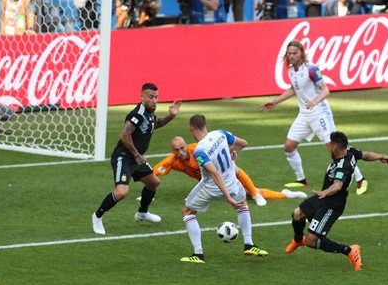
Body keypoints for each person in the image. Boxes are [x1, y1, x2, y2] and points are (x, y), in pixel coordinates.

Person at [260, 40, 368, 195]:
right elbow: (293, 89)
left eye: (294, 53)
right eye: (289, 53)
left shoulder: (311, 69)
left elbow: (325, 90)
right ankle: (301, 180)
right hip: (304, 114)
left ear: (301, 53)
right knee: (289, 147)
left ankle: (360, 179)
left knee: (335, 149)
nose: (291, 56)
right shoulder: (291, 70)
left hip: (320, 114)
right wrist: (275, 102)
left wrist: (314, 102)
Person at [284, 131, 388, 271]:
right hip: (322, 198)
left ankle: (350, 250)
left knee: (312, 241)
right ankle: (298, 240)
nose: (327, 145)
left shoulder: (342, 166)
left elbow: (337, 186)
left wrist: (324, 192)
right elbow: (365, 155)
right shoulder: (349, 151)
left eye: (329, 143)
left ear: (335, 147)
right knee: (297, 214)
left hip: (332, 204)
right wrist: (382, 156)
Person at [91, 83, 182, 235]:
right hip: (124, 157)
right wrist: (137, 155)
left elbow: (155, 124)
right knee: (121, 192)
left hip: (136, 158)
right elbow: (124, 135)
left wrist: (171, 116)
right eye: (150, 97)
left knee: (153, 183)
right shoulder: (137, 114)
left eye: (156, 97)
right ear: (142, 97)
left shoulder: (150, 112)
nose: (154, 100)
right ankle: (97, 216)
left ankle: (142, 213)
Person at [179, 114, 269, 264]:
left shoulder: (199, 151)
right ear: (205, 125)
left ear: (191, 129)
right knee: (243, 206)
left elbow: (214, 173)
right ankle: (249, 244)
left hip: (211, 188)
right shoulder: (220, 133)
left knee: (188, 212)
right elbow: (244, 143)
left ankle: (198, 254)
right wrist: (230, 151)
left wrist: (227, 198)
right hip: (233, 184)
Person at [154, 136, 308, 206]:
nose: (180, 151)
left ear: (186, 145)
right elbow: (155, 171)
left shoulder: (197, 150)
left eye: (182, 148)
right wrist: (149, 189)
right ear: (172, 151)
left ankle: (271, 194)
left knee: (242, 180)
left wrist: (230, 153)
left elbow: (217, 152)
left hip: (224, 173)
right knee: (244, 196)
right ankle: (283, 194)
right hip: (215, 184)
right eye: (176, 150)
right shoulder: (173, 161)